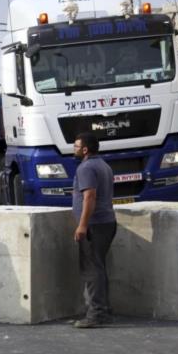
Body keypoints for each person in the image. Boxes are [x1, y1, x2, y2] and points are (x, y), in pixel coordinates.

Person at [71, 132, 117, 329]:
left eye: (76, 146)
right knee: (98, 268)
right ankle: (102, 311)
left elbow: (90, 197)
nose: (74, 149)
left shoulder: (86, 167)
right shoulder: (103, 165)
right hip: (107, 222)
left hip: (95, 225)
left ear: (85, 149)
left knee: (91, 270)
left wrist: (82, 225)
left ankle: (96, 315)